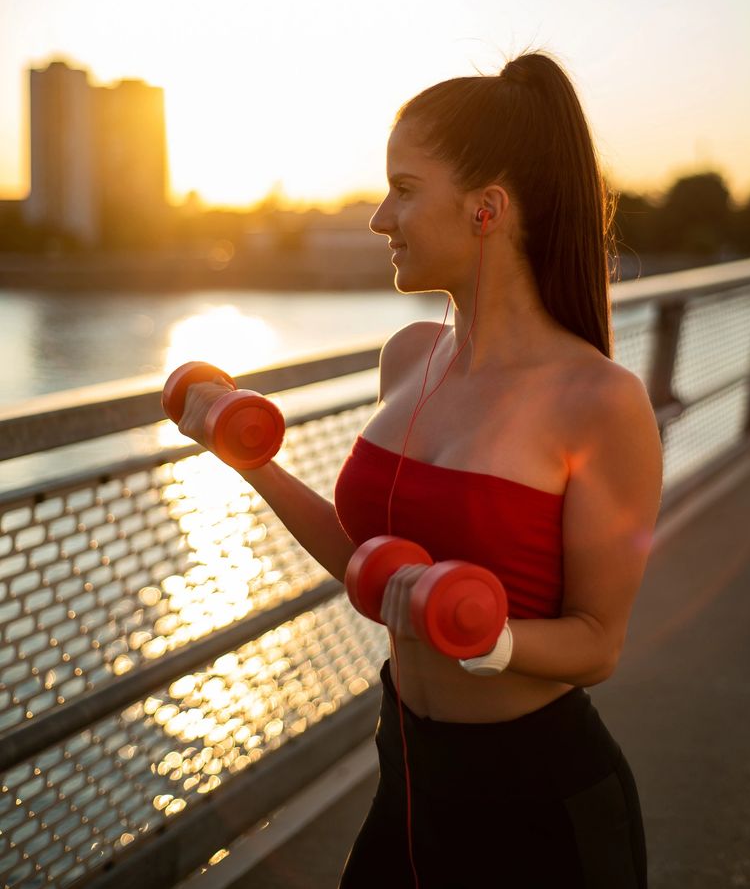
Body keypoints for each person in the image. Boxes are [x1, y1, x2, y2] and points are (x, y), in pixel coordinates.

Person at [177, 49, 662, 888]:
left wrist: (487, 638)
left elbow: (596, 645)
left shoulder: (600, 400)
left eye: (403, 188)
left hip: (540, 803)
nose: (379, 218)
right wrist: (248, 458)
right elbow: (368, 565)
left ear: (486, 210)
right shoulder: (409, 357)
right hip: (407, 771)